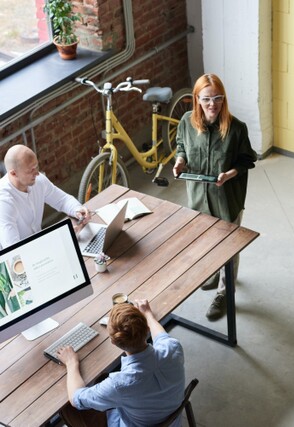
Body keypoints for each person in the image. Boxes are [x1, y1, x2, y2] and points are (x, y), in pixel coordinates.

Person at [173, 73, 258, 320]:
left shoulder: (237, 128)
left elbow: (247, 159)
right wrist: (180, 161)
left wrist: (230, 174)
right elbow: (181, 146)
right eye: (207, 99)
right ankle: (212, 274)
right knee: (206, 241)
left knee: (229, 247)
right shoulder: (186, 122)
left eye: (218, 98)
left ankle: (225, 292)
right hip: (199, 198)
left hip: (226, 199)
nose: (213, 105)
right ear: (197, 99)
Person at [57, 300, 185, 427]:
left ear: (113, 342)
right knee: (103, 381)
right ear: (147, 329)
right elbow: (161, 336)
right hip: (172, 422)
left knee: (68, 409)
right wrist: (148, 314)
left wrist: (71, 363)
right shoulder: (173, 348)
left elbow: (76, 399)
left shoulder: (120, 385)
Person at [0, 145, 90, 250]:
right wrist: (59, 238)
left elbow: (62, 200)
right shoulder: (4, 202)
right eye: (30, 170)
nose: (37, 173)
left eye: (36, 166)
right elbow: (14, 250)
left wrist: (77, 210)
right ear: (13, 173)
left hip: (40, 246)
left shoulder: (37, 180)